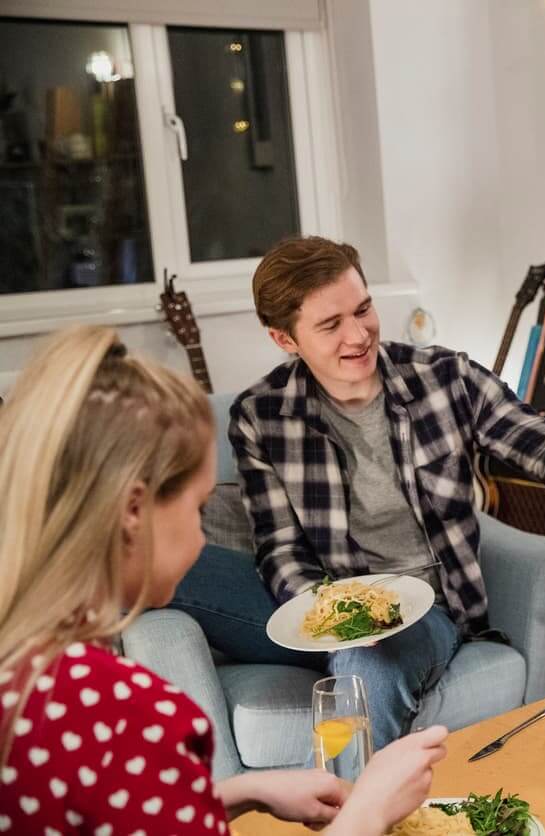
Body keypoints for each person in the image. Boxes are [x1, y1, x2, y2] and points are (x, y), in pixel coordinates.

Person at [172, 236, 545, 752]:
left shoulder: (445, 378)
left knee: (362, 667)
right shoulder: (261, 414)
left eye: (363, 310)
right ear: (284, 339)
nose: (358, 335)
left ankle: (356, 819)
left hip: (420, 612)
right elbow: (280, 547)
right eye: (331, 325)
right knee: (157, 562)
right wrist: (331, 615)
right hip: (319, 605)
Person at [0, 327, 449, 835]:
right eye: (197, 509)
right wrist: (370, 808)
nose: (199, 541)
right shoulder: (130, 710)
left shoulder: (29, 673)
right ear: (133, 511)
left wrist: (238, 792)